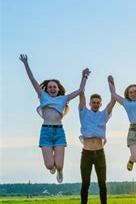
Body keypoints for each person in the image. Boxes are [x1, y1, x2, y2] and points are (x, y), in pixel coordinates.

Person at [19, 54, 89, 183]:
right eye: (50, 87)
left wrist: (84, 76)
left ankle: (60, 170)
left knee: (60, 165)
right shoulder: (42, 95)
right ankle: (53, 168)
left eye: (54, 87)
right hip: (46, 132)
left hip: (59, 132)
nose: (52, 88)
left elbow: (80, 90)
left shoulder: (63, 99)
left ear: (58, 89)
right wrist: (26, 64)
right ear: (46, 89)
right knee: (50, 166)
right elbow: (32, 79)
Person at [78, 85, 116, 204]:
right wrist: (84, 79)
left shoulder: (103, 115)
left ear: (100, 104)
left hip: (100, 153)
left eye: (97, 103)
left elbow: (113, 101)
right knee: (85, 184)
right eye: (93, 102)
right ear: (89, 103)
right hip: (86, 154)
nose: (95, 104)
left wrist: (111, 84)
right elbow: (81, 94)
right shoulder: (83, 113)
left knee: (102, 184)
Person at [107, 69, 136, 172]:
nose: (133, 93)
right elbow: (114, 95)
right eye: (131, 92)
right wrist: (111, 82)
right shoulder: (126, 103)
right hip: (133, 130)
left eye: (135, 91)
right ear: (128, 95)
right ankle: (132, 160)